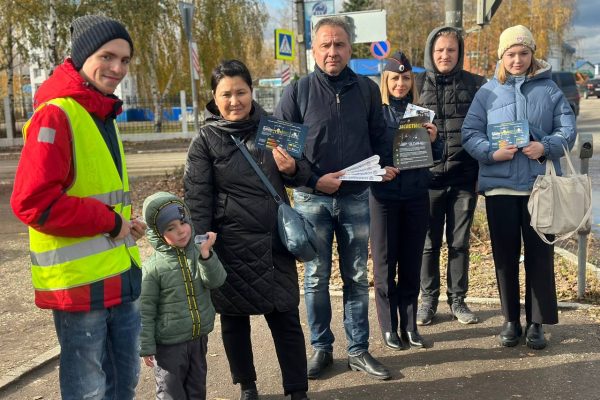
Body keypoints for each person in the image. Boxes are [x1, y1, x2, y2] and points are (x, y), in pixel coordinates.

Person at [10, 15, 145, 399]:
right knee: (89, 390)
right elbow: (33, 202)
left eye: (125, 60)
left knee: (124, 382)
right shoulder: (57, 113)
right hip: (81, 284)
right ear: (83, 55)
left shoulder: (101, 112)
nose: (117, 68)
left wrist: (124, 223)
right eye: (108, 56)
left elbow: (95, 191)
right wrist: (108, 221)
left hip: (119, 273)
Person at [183, 59, 310, 400]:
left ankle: (297, 390)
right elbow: (197, 198)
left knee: (285, 318)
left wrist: (294, 167)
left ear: (252, 92)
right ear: (214, 97)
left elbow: (304, 175)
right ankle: (248, 387)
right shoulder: (206, 140)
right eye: (226, 94)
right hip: (229, 246)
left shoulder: (275, 129)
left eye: (241, 92)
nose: (234, 100)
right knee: (234, 320)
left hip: (273, 244)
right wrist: (201, 244)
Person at [274, 16, 391, 380]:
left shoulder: (368, 90)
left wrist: (387, 164)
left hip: (357, 197)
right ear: (313, 49)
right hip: (313, 200)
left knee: (356, 277)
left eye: (339, 44)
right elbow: (280, 151)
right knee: (315, 276)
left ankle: (358, 350)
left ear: (349, 48)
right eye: (324, 45)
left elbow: (381, 136)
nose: (332, 51)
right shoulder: (297, 92)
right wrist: (312, 178)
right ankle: (321, 348)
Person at [462, 25, 576, 349]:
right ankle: (510, 320)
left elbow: (567, 130)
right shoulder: (486, 92)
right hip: (500, 189)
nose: (517, 59)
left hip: (540, 187)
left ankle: (536, 323)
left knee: (540, 256)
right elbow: (470, 133)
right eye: (511, 54)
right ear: (502, 56)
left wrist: (547, 146)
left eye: (523, 53)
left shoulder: (550, 90)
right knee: (505, 257)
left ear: (532, 54)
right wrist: (490, 152)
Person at [414, 26, 486, 326]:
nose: (445, 55)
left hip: (462, 178)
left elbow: (485, 128)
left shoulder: (476, 85)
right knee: (428, 244)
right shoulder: (416, 84)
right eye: (439, 50)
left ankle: (458, 299)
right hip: (427, 180)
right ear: (431, 52)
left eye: (451, 50)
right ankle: (428, 300)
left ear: (459, 54)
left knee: (458, 244)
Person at [371, 51, 441, 351]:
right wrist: (377, 169)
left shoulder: (421, 114)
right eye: (395, 77)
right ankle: (389, 327)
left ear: (412, 81)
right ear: (386, 80)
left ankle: (410, 325)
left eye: (406, 77)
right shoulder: (375, 113)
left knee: (412, 263)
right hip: (384, 199)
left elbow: (436, 157)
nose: (400, 83)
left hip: (415, 196)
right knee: (385, 265)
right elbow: (364, 152)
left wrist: (436, 139)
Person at [139, 191, 227, 399]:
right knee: (170, 390)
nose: (181, 231)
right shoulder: (153, 268)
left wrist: (206, 255)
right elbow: (145, 309)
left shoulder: (198, 253)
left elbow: (216, 281)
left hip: (198, 337)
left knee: (197, 387)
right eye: (170, 228)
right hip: (168, 344)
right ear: (159, 235)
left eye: (182, 222)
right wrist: (146, 345)